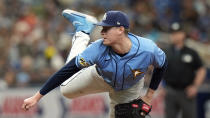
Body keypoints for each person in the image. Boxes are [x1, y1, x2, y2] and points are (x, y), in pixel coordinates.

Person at [22, 9, 167, 118]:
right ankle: (83, 31)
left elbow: (162, 64)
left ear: (121, 29)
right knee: (66, 90)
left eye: (106, 28)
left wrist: (149, 96)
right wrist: (37, 97)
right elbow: (68, 70)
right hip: (99, 77)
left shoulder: (148, 49)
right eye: (102, 28)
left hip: (129, 87)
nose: (102, 32)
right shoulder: (98, 48)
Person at [163, 22, 206, 118]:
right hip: (170, 91)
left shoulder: (191, 52)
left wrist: (195, 86)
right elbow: (159, 69)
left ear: (183, 34)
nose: (175, 36)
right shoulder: (166, 52)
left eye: (177, 33)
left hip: (187, 91)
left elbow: (201, 70)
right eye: (173, 33)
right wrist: (160, 86)